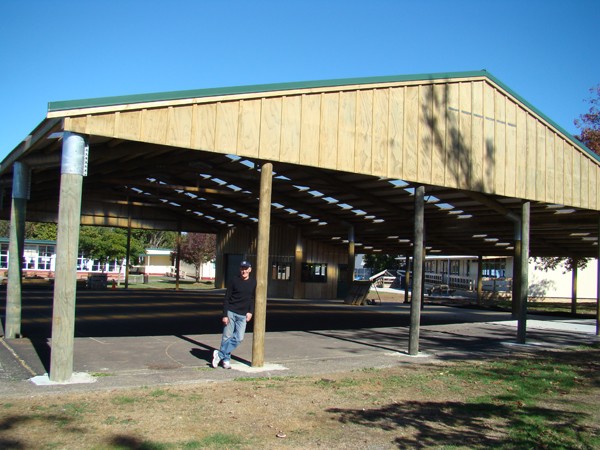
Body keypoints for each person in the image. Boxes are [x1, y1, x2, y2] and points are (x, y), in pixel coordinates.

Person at [212, 260, 256, 369]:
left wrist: (251, 311)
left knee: (239, 338)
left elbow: (252, 298)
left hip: (243, 315)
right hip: (231, 311)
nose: (244, 271)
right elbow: (226, 298)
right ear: (239, 269)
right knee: (227, 337)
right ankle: (226, 360)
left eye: (246, 269)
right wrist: (225, 314)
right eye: (242, 268)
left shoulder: (253, 282)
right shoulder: (234, 281)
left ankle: (219, 354)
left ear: (250, 269)